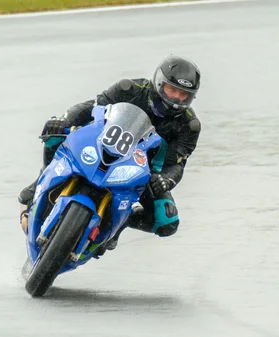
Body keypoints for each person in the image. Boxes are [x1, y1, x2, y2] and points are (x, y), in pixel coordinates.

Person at [19, 55, 202, 257]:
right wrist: (63, 120)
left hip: (141, 173)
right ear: (160, 83)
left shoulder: (189, 125)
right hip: (98, 149)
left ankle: (121, 222)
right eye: (172, 90)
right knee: (53, 135)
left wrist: (166, 180)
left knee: (167, 221)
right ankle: (41, 182)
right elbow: (91, 108)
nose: (176, 99)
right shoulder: (129, 89)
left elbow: (177, 164)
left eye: (184, 94)